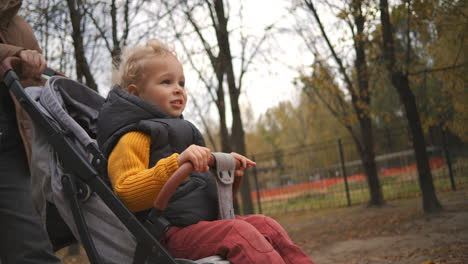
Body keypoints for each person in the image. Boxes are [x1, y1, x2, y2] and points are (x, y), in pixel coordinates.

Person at [97, 39, 314, 264]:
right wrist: (175, 164)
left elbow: (197, 185)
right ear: (136, 93)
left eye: (181, 82)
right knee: (239, 235)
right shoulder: (133, 136)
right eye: (166, 82)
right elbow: (126, 193)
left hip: (202, 223)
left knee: (266, 226)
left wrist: (224, 167)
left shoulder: (182, 130)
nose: (178, 89)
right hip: (168, 233)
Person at [0, 0, 63, 263]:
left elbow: (34, 80)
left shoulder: (18, 24)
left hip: (17, 142)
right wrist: (15, 54)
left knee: (30, 247)